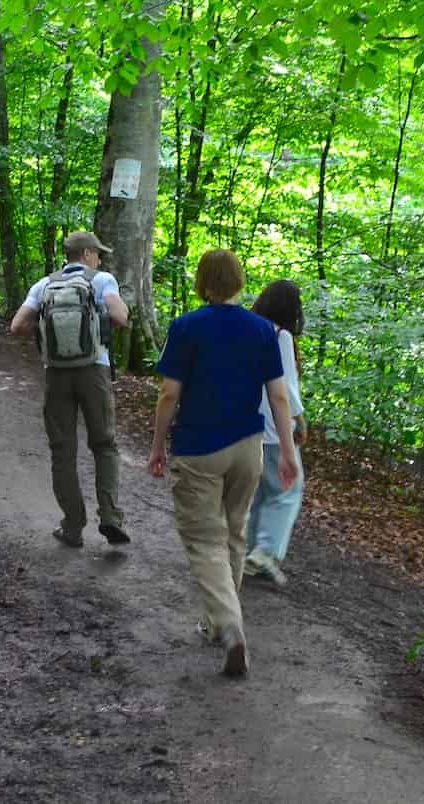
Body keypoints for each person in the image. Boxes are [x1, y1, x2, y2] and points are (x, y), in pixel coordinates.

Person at [148, 249, 298, 678]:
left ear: (203, 282)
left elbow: (169, 394)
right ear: (239, 281)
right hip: (249, 447)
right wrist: (286, 451)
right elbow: (279, 395)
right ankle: (219, 626)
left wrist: (158, 444)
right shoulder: (262, 330)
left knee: (204, 540)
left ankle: (230, 626)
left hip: (200, 448)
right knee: (234, 533)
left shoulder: (187, 327)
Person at [10, 231, 131, 549]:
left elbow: (17, 327)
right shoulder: (102, 279)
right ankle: (110, 518)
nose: (101, 258)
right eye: (99, 253)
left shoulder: (44, 284)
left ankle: (73, 526)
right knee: (104, 445)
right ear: (88, 254)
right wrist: (97, 326)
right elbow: (120, 316)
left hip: (57, 375)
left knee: (62, 451)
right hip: (94, 372)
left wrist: (49, 338)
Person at [244, 279, 308, 585]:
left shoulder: (247, 329)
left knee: (260, 493)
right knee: (287, 489)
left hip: (245, 422)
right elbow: (286, 387)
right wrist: (299, 419)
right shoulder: (280, 336)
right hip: (273, 425)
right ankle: (265, 552)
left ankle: (249, 552)